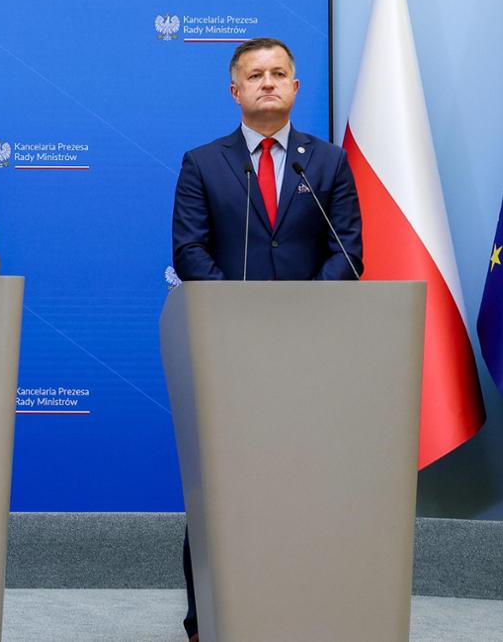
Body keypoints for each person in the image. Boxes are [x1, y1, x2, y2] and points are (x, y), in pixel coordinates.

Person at [168, 36, 361, 640]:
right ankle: (207, 616)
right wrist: (240, 312)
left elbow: (348, 253)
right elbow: (190, 251)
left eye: (280, 74)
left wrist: (300, 312)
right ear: (235, 91)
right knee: (219, 486)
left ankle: (302, 604)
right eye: (256, 75)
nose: (269, 83)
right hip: (229, 352)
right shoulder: (203, 163)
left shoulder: (325, 162)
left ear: (297, 87)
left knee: (305, 481)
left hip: (312, 353)